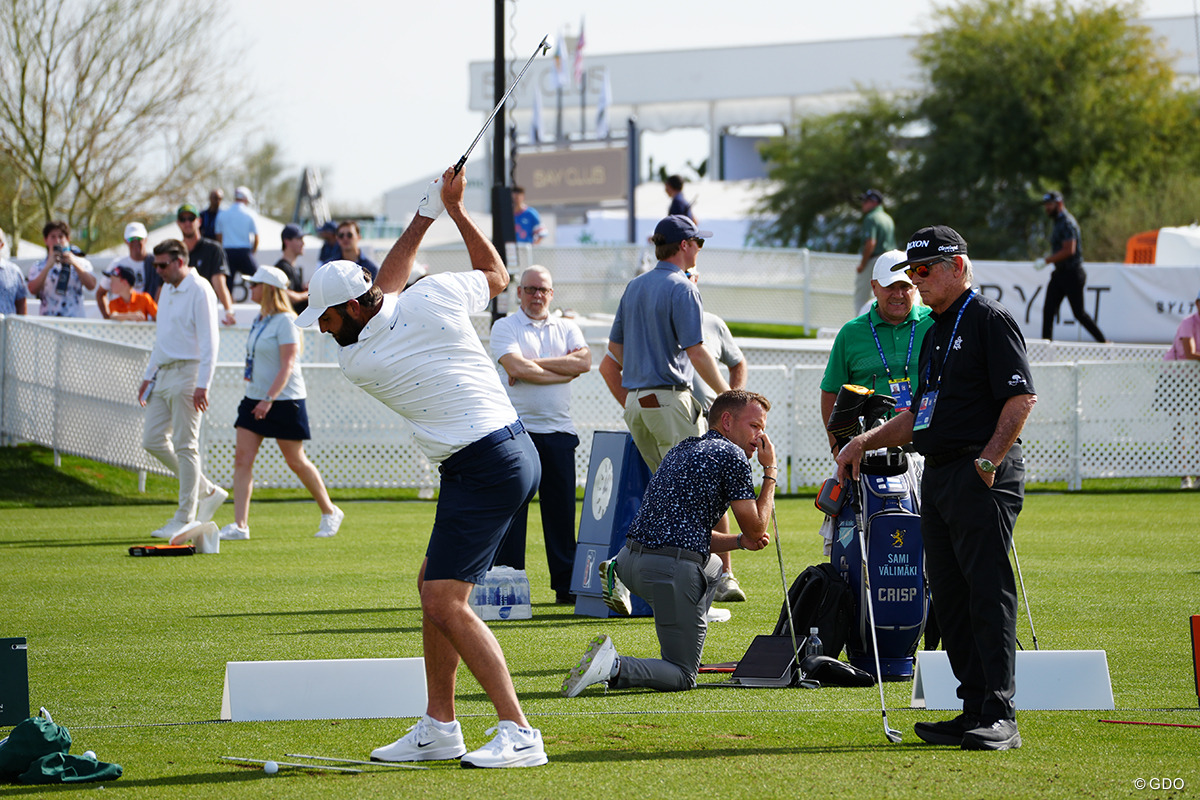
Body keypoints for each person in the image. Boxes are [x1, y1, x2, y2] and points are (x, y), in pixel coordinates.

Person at [295, 166, 547, 769]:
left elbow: (385, 286)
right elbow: (496, 275)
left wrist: (429, 211)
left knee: (444, 601)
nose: (322, 328)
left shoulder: (362, 358)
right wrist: (449, 212)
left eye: (327, 317)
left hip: (486, 461)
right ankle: (440, 725)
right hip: (496, 456)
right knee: (432, 591)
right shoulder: (431, 296)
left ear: (353, 308)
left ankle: (519, 732)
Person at [836, 225, 1037, 752]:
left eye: (924, 271)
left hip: (978, 472)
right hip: (940, 472)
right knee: (948, 598)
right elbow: (918, 415)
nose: (916, 282)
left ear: (958, 267)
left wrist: (989, 461)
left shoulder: (989, 319)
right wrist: (863, 443)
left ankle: (999, 714)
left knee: (985, 592)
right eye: (911, 272)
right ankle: (973, 708)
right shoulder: (937, 330)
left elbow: (1020, 400)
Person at [560, 390, 776, 696]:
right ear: (726, 421)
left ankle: (676, 613)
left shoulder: (682, 449)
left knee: (713, 567)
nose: (761, 436)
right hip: (667, 572)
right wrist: (771, 472)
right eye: (755, 426)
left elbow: (686, 534)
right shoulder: (732, 455)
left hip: (630, 559)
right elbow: (757, 528)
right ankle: (614, 665)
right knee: (682, 674)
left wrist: (739, 543)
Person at [489, 265, 590, 604]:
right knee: (513, 513)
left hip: (559, 431)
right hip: (517, 432)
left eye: (542, 290)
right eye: (530, 289)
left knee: (561, 515)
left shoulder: (567, 327)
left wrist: (536, 367)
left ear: (551, 293)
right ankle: (511, 584)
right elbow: (515, 367)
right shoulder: (505, 326)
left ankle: (566, 587)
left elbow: (585, 362)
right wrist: (562, 369)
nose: (536, 296)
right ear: (518, 292)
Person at [218, 265, 342, 541]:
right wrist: (259, 396)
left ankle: (330, 511)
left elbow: (288, 365)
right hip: (255, 398)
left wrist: (268, 400)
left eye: (255, 284)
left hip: (284, 401)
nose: (250, 289)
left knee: (295, 461)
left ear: (269, 289)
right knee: (242, 459)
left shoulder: (287, 320)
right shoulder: (260, 319)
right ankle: (240, 525)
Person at [139, 239, 228, 540]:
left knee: (185, 445)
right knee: (151, 440)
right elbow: (162, 337)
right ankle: (207, 490)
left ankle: (184, 516)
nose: (158, 270)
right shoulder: (165, 290)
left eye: (162, 265)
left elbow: (210, 341)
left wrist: (203, 383)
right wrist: (149, 374)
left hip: (189, 374)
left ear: (180, 262)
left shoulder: (201, 289)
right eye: (155, 265)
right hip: (163, 374)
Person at [684, 266, 749, 603]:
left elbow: (738, 363)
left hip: (710, 424)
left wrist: (733, 408)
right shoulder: (661, 318)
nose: (686, 280)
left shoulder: (712, 322)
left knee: (719, 495)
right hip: (677, 416)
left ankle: (725, 574)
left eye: (691, 275)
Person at [1037, 191, 1106, 343]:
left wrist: (1046, 260)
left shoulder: (1067, 222)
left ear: (1059, 204)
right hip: (1060, 273)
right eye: (1046, 205)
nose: (1047, 208)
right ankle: (1044, 347)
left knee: (1079, 313)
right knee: (1048, 310)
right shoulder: (1057, 222)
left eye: (1050, 205)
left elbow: (1070, 250)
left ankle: (1104, 343)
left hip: (1072, 274)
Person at [1162, 288, 1200, 488]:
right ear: (1197, 303)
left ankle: (1199, 474)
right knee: (1179, 427)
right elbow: (1190, 353)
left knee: (1198, 426)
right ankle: (1184, 475)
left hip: (1197, 379)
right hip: (1175, 378)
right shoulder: (1188, 323)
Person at [177, 204, 237, 325]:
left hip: (206, 312)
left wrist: (229, 312)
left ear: (199, 221)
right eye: (183, 219)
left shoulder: (213, 249)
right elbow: (164, 286)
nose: (187, 223)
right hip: (181, 315)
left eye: (191, 219)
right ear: (178, 223)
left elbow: (220, 284)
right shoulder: (175, 251)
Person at [26, 220, 97, 317]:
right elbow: (32, 290)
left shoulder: (81, 263)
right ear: (46, 240)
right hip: (49, 320)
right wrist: (48, 267)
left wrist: (74, 263)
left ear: (68, 239)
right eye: (53, 237)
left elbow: (92, 285)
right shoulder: (38, 266)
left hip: (75, 320)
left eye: (60, 236)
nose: (57, 241)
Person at [97, 222, 158, 317]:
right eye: (131, 239)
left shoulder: (156, 263)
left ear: (145, 239)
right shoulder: (117, 263)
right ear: (126, 241)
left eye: (139, 238)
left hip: (147, 323)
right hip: (121, 323)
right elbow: (100, 293)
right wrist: (108, 318)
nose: (135, 242)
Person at [855, 189, 896, 314]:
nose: (863, 204)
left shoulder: (871, 218)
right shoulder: (888, 218)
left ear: (873, 202)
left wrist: (862, 264)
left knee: (861, 295)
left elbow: (870, 243)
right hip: (889, 260)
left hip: (874, 260)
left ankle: (859, 324)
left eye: (865, 201)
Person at [215, 186, 259, 278]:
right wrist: (252, 252)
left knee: (227, 286)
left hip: (228, 253)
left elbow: (218, 237)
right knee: (258, 279)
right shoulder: (250, 214)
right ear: (246, 199)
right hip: (244, 252)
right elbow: (256, 238)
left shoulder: (222, 214)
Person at [274, 224, 310, 308]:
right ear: (287, 242)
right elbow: (284, 295)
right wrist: (308, 294)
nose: (303, 243)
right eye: (299, 239)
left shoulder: (290, 267)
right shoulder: (282, 268)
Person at [0, 227, 28, 315]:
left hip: (7, 327)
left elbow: (21, 303)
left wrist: (22, 327)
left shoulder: (14, 271)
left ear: (2, 244)